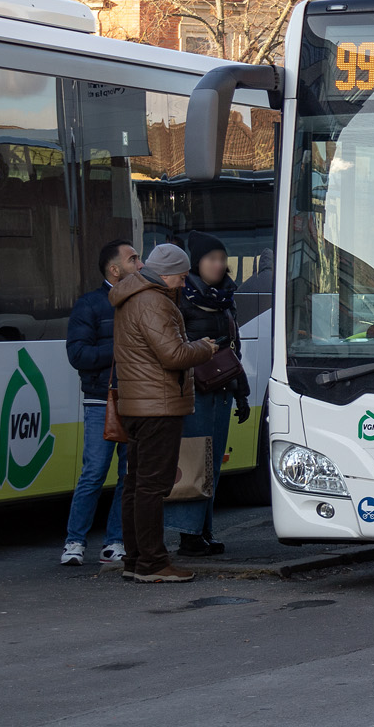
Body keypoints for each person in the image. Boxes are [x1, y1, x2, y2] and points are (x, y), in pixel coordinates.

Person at [111, 243, 217, 583]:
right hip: (158, 405)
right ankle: (153, 564)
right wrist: (204, 347)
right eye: (182, 277)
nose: (184, 284)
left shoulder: (132, 296)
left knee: (135, 484)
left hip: (137, 404)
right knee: (151, 487)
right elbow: (172, 355)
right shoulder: (153, 301)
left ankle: (135, 559)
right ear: (168, 273)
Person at [166, 231, 251, 557]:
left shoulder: (225, 298)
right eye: (211, 259)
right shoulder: (181, 298)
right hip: (194, 393)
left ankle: (203, 531)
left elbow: (234, 349)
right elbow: (174, 348)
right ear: (196, 263)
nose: (218, 265)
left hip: (222, 391)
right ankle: (187, 535)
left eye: (221, 259)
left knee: (212, 464)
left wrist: (241, 393)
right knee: (194, 461)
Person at [59, 240, 142, 567]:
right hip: (101, 400)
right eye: (133, 259)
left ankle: (114, 542)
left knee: (128, 475)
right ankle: (74, 542)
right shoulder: (90, 304)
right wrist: (121, 351)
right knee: (94, 472)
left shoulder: (140, 301)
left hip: (137, 399)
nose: (140, 263)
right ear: (114, 269)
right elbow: (77, 355)